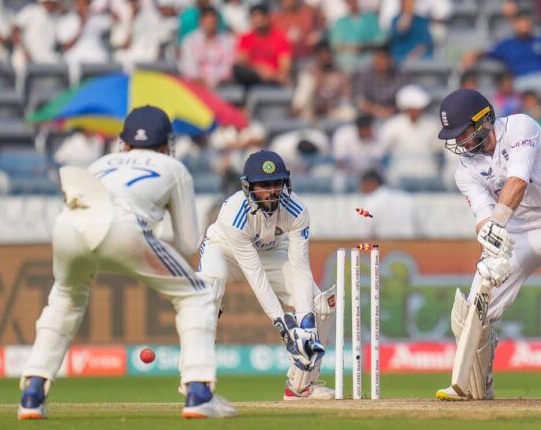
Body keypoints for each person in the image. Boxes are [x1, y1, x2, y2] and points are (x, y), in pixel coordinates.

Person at [17, 106, 237, 420]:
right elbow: (189, 243)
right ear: (166, 144)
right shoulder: (173, 167)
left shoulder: (99, 163)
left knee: (65, 299)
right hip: (124, 227)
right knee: (198, 295)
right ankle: (199, 392)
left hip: (67, 227)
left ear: (125, 143)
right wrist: (156, 224)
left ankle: (32, 394)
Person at [434, 88, 541, 404]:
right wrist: (489, 236)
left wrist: (497, 225)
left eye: (463, 132)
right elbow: (483, 216)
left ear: (485, 120)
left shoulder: (520, 127)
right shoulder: (466, 172)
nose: (459, 141)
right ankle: (475, 386)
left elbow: (517, 181)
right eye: (454, 136)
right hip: (517, 230)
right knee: (474, 305)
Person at [197, 149, 336, 400]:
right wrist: (284, 325)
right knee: (208, 293)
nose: (272, 191)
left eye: (277, 183)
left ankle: (299, 387)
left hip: (271, 251)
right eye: (264, 185)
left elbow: (300, 267)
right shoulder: (233, 215)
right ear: (249, 187)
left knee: (320, 306)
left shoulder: (296, 209)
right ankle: (196, 382)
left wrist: (304, 324)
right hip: (224, 250)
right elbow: (256, 277)